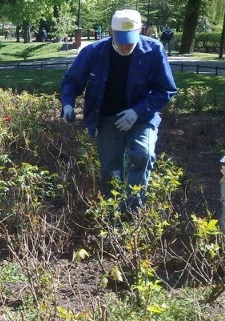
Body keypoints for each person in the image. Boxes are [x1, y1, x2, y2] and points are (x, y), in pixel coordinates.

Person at [60, 9, 177, 213]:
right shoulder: (93, 52)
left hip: (141, 116)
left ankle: (131, 211)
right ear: (110, 32)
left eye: (130, 40)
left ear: (140, 31)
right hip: (106, 117)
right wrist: (68, 104)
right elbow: (72, 80)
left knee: (144, 155)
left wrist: (137, 112)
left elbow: (165, 89)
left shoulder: (154, 50)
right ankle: (111, 212)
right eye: (121, 39)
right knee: (110, 170)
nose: (125, 46)